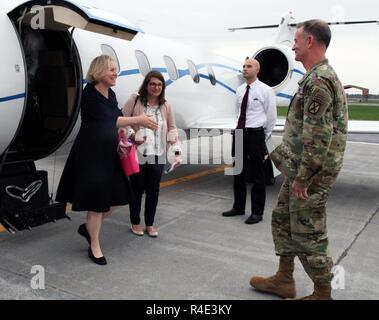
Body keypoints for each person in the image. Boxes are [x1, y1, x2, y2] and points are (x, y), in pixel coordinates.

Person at [249, 20, 348, 300]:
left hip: (310, 174)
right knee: (282, 219)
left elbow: (318, 137)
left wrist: (304, 178)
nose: (292, 45)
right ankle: (284, 278)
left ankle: (323, 292)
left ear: (310, 42)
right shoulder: (312, 77)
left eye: (296, 40)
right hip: (298, 169)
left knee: (309, 233)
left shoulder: (319, 81)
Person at [56, 55, 158, 265]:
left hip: (109, 153)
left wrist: (130, 136)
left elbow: (117, 121)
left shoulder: (110, 93)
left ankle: (87, 229)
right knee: (97, 203)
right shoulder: (90, 94)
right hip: (91, 155)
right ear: (100, 70)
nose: (115, 73)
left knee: (118, 197)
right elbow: (109, 119)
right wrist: (139, 120)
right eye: (111, 69)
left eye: (116, 69)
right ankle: (94, 245)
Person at [122, 71, 181, 237]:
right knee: (137, 190)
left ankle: (150, 224)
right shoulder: (135, 101)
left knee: (153, 191)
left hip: (158, 153)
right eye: (153, 84)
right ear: (146, 85)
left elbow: (172, 130)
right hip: (138, 153)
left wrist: (177, 153)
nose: (156, 87)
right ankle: (135, 222)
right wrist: (133, 135)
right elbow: (121, 121)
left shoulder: (166, 106)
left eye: (159, 85)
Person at [222, 58, 277, 224]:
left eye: (249, 66)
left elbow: (271, 117)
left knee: (258, 176)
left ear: (257, 70)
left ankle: (257, 212)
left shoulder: (266, 90)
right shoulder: (239, 90)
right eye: (244, 66)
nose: (245, 69)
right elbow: (238, 111)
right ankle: (238, 207)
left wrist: (262, 136)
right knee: (238, 172)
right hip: (239, 133)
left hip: (256, 134)